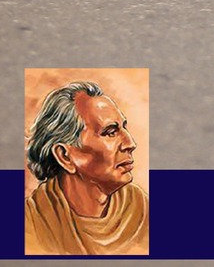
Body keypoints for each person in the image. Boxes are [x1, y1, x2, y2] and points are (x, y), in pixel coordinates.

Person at [24, 81, 148, 255]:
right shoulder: (32, 225)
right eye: (110, 132)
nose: (130, 143)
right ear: (65, 156)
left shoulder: (142, 210)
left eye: (123, 128)